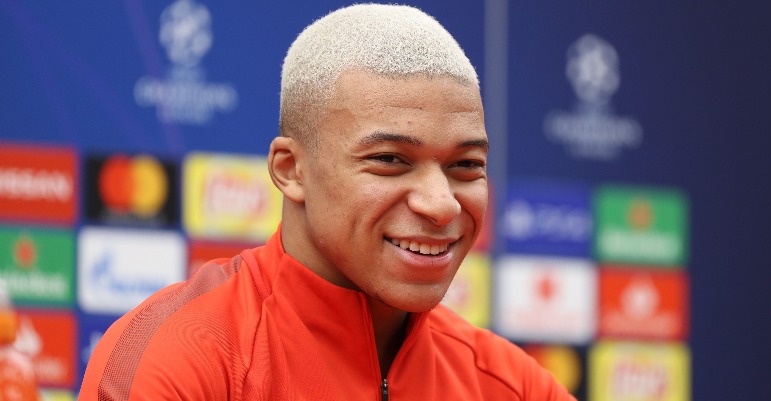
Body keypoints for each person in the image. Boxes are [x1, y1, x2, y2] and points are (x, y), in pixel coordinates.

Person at [79, 4, 576, 400]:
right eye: (390, 159)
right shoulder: (181, 355)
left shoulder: (512, 386)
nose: (441, 204)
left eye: (466, 165)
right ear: (290, 170)